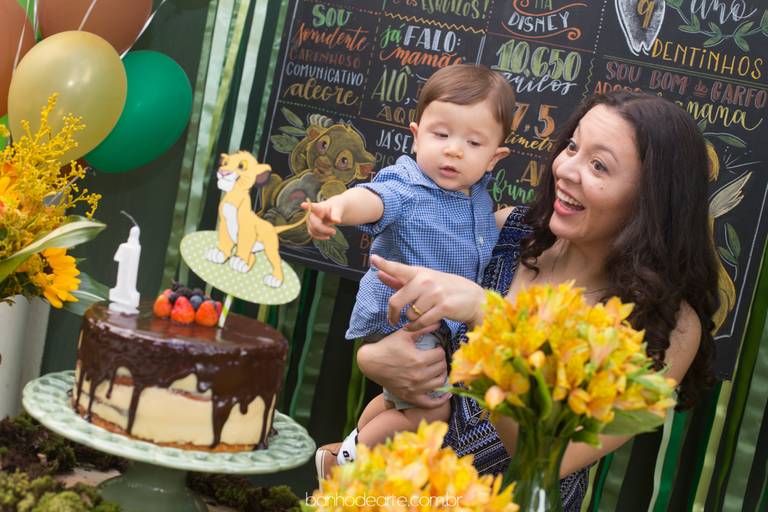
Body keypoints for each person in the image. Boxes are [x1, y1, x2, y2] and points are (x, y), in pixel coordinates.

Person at [356, 91, 719, 511]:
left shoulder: (665, 324)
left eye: (599, 165)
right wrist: (375, 358)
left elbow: (544, 459)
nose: (566, 170)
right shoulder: (503, 235)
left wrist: (489, 314)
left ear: (651, 198)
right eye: (572, 147)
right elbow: (404, 332)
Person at [303, 63, 515, 479]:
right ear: (416, 135)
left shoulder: (477, 201)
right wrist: (337, 209)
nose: (454, 149)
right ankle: (346, 462)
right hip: (401, 317)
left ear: (495, 157)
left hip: (435, 325)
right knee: (433, 411)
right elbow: (373, 198)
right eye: (441, 135)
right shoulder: (409, 185)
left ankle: (354, 440)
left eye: (473, 142)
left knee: (403, 400)